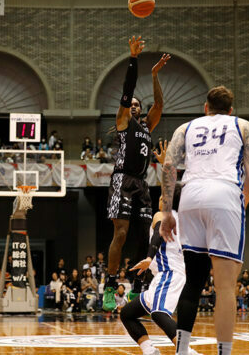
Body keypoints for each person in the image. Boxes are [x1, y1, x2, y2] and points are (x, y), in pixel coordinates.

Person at [160, 85, 249, 355]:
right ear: (230, 110)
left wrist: (168, 211)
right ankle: (224, 353)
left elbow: (168, 167)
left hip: (190, 195)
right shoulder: (245, 126)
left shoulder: (184, 128)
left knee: (193, 280)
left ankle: (181, 351)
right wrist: (241, 205)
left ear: (205, 107)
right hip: (225, 193)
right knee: (225, 286)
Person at [104, 35, 171, 311]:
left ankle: (139, 290)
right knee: (121, 234)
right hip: (122, 179)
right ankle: (109, 286)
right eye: (129, 104)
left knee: (145, 236)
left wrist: (155, 74)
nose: (133, 106)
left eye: (136, 105)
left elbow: (159, 105)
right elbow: (127, 89)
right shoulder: (123, 122)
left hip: (142, 184)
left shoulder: (146, 126)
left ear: (140, 111)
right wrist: (133, 59)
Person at [120, 189, 200, 355]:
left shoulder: (162, 215)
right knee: (127, 313)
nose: (161, 197)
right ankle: (149, 350)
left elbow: (158, 232)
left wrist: (149, 257)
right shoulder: (183, 220)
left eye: (165, 195)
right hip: (168, 274)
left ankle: (186, 351)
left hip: (169, 273)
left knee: (158, 313)